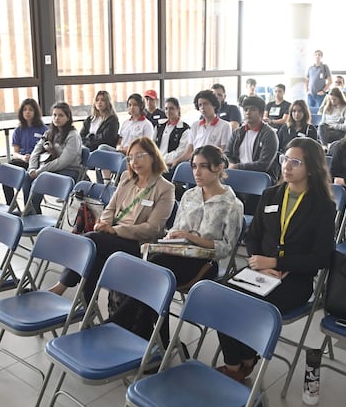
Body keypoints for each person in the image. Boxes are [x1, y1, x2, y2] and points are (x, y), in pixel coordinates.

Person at [217, 137, 335, 382]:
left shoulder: (322, 205)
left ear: (311, 168)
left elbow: (322, 257)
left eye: (295, 162)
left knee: (248, 305)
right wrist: (257, 261)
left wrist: (277, 264)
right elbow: (253, 236)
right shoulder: (271, 194)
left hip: (295, 280)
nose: (287, 166)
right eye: (285, 159)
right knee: (220, 296)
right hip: (260, 271)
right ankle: (239, 360)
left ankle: (237, 366)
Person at [110, 145, 243, 343]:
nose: (197, 172)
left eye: (203, 167)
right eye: (194, 166)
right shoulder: (190, 196)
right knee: (153, 270)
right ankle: (151, 338)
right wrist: (174, 236)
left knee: (154, 272)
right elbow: (176, 229)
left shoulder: (232, 205)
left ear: (219, 167)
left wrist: (191, 238)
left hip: (204, 263)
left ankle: (123, 325)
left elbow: (225, 248)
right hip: (175, 255)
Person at [48, 137, 175, 311]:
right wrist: (104, 223)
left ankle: (62, 287)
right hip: (110, 236)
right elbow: (111, 207)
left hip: (138, 243)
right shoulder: (126, 178)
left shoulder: (165, 188)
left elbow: (152, 229)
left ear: (153, 156)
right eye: (130, 157)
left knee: (90, 241)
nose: (134, 162)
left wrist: (114, 230)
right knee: (95, 256)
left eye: (139, 156)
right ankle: (87, 307)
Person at [24, 101, 83, 213]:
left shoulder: (73, 136)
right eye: (55, 115)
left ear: (68, 117)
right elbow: (35, 152)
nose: (57, 118)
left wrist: (39, 171)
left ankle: (33, 212)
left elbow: (62, 162)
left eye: (61, 115)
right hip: (52, 169)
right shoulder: (49, 133)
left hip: (70, 171)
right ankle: (30, 211)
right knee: (27, 177)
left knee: (41, 180)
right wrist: (32, 169)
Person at [225, 96, 280, 183]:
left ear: (261, 113)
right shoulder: (237, 133)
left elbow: (263, 164)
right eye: (245, 110)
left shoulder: (269, 134)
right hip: (236, 174)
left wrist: (237, 167)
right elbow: (227, 154)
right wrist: (232, 166)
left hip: (259, 178)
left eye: (252, 109)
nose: (248, 112)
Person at [3, 98, 47, 203]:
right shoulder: (18, 130)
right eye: (25, 110)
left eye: (30, 110)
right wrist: (23, 157)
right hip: (23, 160)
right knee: (5, 172)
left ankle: (29, 207)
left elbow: (47, 151)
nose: (27, 112)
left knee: (27, 180)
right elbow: (15, 153)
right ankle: (10, 205)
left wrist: (33, 157)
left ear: (35, 112)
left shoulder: (43, 129)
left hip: (37, 162)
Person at [173, 89, 233, 163]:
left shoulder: (225, 126)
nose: (202, 107)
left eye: (206, 104)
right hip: (194, 163)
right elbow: (189, 152)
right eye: (200, 105)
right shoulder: (195, 125)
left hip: (213, 164)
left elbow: (223, 152)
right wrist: (175, 161)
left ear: (214, 105)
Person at [155, 96, 191, 172]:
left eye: (171, 108)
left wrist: (162, 159)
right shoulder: (159, 125)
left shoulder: (184, 129)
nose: (168, 111)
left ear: (178, 109)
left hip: (171, 164)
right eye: (166, 108)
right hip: (156, 161)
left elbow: (180, 151)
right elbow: (151, 144)